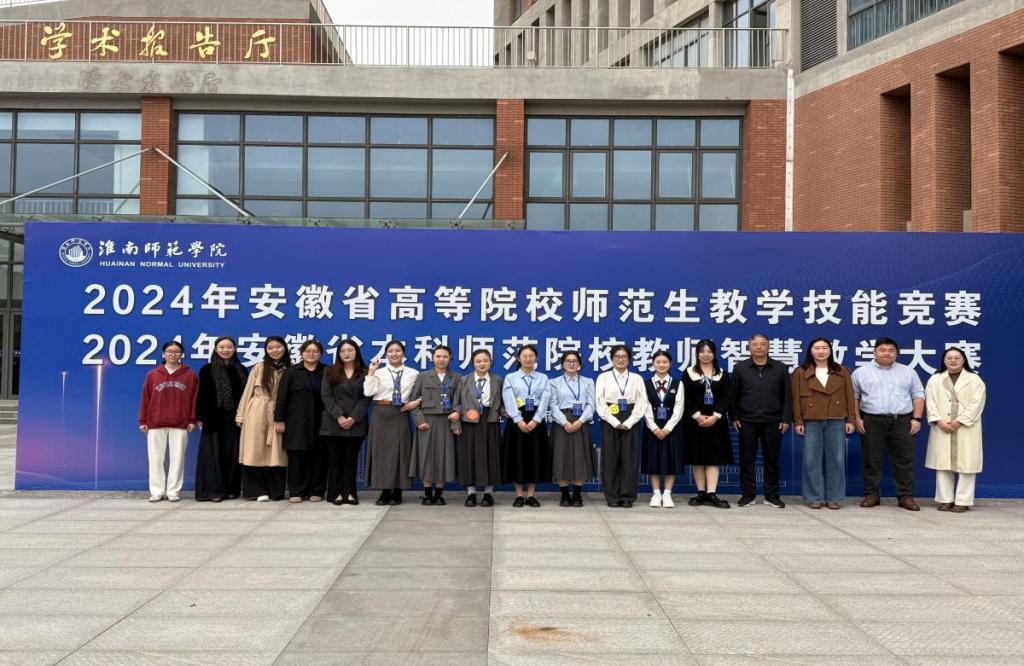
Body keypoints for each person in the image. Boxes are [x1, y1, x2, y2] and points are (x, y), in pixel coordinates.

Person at [852, 337, 926, 511]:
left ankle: (906, 496)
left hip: (902, 420)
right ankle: (872, 495)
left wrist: (916, 419)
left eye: (891, 350)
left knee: (904, 459)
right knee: (872, 458)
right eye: (882, 350)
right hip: (871, 420)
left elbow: (918, 395)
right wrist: (857, 418)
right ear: (874, 352)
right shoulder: (861, 372)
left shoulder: (908, 372)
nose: (887, 353)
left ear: (896, 353)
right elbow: (854, 397)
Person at [791, 337, 857, 510]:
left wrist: (851, 419)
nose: (821, 351)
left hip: (836, 418)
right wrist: (798, 421)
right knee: (811, 460)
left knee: (837, 460)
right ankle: (815, 497)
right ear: (810, 351)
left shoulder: (841, 371)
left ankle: (834, 498)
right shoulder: (800, 372)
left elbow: (850, 396)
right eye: (816, 348)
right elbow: (795, 399)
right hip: (811, 420)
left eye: (824, 348)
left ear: (830, 351)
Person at [731, 334, 792, 508]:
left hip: (773, 420)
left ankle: (772, 495)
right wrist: (734, 417)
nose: (759, 347)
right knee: (747, 459)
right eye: (755, 344)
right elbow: (733, 395)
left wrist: (786, 418)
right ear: (749, 347)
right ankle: (748, 495)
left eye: (762, 344)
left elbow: (787, 395)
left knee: (772, 459)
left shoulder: (780, 368)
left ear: (768, 347)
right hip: (746, 420)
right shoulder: (740, 368)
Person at [925, 347, 986, 513]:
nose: (953, 361)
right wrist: (939, 421)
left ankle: (963, 501)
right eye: (949, 358)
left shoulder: (974, 380)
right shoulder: (935, 379)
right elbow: (930, 401)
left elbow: (977, 403)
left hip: (966, 428)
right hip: (942, 426)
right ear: (944, 360)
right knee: (943, 464)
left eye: (957, 358)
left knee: (967, 465)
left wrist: (960, 421)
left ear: (964, 360)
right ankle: (945, 500)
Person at [139, 340, 198, 502]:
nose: (173, 354)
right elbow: (145, 398)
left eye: (177, 351)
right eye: (169, 351)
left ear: (182, 354)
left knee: (177, 458)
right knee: (155, 458)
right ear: (163, 354)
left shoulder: (190, 375)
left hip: (181, 422)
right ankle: (157, 491)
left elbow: (194, 399)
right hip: (155, 422)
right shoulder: (153, 374)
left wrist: (192, 419)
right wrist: (143, 420)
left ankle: (173, 491)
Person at [364, 340, 419, 506]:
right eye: (390, 351)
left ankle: (398, 491)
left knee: (400, 452)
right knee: (381, 452)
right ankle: (384, 491)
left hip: (400, 413)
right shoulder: (379, 372)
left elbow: (425, 392)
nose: (394, 354)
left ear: (404, 354)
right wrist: (371, 372)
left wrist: (418, 401)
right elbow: (368, 392)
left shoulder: (413, 373)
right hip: (381, 412)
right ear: (386, 355)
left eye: (397, 351)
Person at [236, 336, 290, 501]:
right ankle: (256, 491)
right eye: (270, 348)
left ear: (285, 348)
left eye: (278, 347)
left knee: (277, 453)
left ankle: (276, 491)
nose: (275, 350)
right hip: (257, 411)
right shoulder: (259, 367)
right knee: (254, 451)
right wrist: (241, 414)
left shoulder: (291, 368)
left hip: (280, 413)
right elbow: (248, 391)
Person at [194, 336, 248, 502]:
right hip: (213, 417)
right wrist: (200, 417)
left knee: (233, 453)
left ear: (234, 349)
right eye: (222, 347)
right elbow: (202, 394)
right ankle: (214, 491)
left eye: (229, 347)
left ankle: (231, 489)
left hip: (235, 418)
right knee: (213, 455)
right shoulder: (207, 369)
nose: (226, 350)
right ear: (216, 349)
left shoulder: (241, 369)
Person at [274, 339, 328, 503]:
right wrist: (279, 419)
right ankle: (296, 491)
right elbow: (282, 397)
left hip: (321, 420)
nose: (311, 354)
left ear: (320, 354)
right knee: (297, 457)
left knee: (319, 457)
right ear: (302, 353)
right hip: (296, 422)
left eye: (315, 351)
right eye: (308, 351)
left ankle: (316, 490)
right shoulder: (292, 372)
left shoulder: (327, 371)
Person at [596, 344, 649, 508]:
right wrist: (614, 421)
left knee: (629, 460)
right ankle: (611, 496)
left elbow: (642, 402)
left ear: (629, 359)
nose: (620, 359)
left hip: (631, 420)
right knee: (610, 460)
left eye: (624, 357)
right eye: (617, 357)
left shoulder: (636, 378)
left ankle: (627, 496)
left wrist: (630, 421)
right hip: (610, 419)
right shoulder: (603, 377)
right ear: (612, 359)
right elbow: (599, 402)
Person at [681, 339, 733, 508]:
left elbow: (727, 397)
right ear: (697, 354)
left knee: (713, 458)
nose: (705, 354)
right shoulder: (689, 372)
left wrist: (715, 416)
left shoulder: (722, 373)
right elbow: (685, 396)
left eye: (709, 351)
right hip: (695, 422)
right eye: (702, 351)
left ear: (714, 354)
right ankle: (701, 493)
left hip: (716, 422)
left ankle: (712, 493)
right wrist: (697, 416)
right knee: (697, 458)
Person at [321, 339, 371, 506]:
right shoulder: (329, 371)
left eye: (350, 350)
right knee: (335, 460)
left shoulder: (365, 372)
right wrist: (339, 416)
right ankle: (335, 493)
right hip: (333, 421)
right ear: (338, 354)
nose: (346, 353)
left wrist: (353, 417)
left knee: (351, 459)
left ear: (356, 352)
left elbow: (367, 397)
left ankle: (349, 492)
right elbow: (326, 395)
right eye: (343, 351)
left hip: (356, 422)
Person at [501, 344, 552, 507]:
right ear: (518, 358)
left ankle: (530, 495)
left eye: (531, 356)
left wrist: (536, 419)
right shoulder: (511, 377)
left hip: (536, 420)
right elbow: (508, 399)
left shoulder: (543, 378)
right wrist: (518, 419)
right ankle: (518, 495)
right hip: (517, 419)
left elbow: (545, 399)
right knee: (517, 456)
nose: (528, 359)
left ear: (536, 358)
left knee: (535, 455)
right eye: (524, 356)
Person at [410, 345, 461, 506]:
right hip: (427, 422)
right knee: (425, 456)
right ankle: (427, 493)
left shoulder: (456, 378)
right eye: (438, 356)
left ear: (450, 358)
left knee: (443, 456)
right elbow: (413, 401)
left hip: (446, 421)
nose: (441, 359)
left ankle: (439, 493)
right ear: (432, 358)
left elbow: (459, 402)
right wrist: (419, 421)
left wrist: (456, 420)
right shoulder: (423, 376)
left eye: (445, 356)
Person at [454, 349, 503, 507]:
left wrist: (510, 413)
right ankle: (471, 494)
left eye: (485, 361)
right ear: (473, 363)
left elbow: (502, 403)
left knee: (490, 456)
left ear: (491, 362)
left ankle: (488, 493)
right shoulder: (464, 380)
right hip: (469, 420)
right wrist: (456, 424)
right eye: (478, 361)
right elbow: (457, 404)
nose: (482, 364)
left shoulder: (497, 380)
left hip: (490, 420)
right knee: (469, 456)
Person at [548, 350, 596, 507]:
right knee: (561, 458)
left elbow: (591, 404)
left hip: (581, 421)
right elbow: (552, 405)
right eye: (567, 361)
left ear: (579, 365)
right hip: (561, 422)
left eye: (574, 361)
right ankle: (564, 495)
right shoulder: (554, 382)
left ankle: (577, 495)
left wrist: (580, 421)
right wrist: (564, 422)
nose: (571, 363)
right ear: (562, 364)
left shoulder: (588, 382)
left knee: (579, 458)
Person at [641, 350, 685, 508]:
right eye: (658, 362)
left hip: (672, 428)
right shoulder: (645, 384)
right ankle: (656, 493)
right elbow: (644, 406)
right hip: (652, 428)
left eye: (665, 362)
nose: (661, 365)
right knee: (653, 460)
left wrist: (667, 428)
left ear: (670, 364)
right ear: (653, 364)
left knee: (671, 460)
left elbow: (679, 408)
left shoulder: (678, 384)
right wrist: (653, 427)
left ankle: (667, 493)